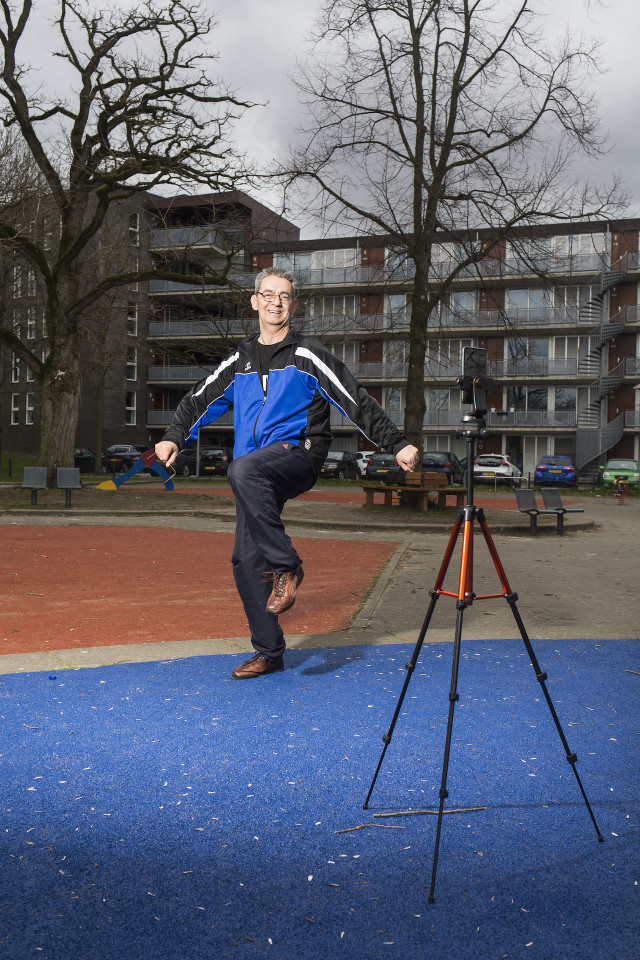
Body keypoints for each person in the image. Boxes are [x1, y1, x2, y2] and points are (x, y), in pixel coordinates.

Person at [155, 267, 419, 679]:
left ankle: (287, 567)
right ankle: (270, 652)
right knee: (244, 561)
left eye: (285, 296)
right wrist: (174, 437)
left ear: (292, 306)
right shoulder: (238, 361)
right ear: (255, 302)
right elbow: (195, 401)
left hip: (299, 454)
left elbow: (355, 399)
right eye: (268, 294)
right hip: (254, 472)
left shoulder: (306, 356)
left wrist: (397, 442)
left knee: (242, 469)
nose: (276, 301)